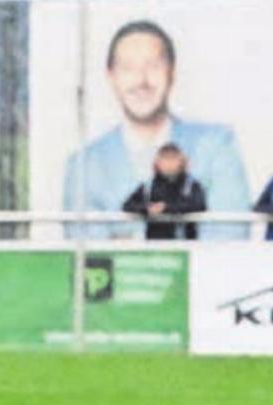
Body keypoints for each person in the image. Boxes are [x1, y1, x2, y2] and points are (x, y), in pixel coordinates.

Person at [62, 19, 248, 240]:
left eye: (153, 66)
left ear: (171, 72)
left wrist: (125, 237)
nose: (141, 80)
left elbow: (229, 236)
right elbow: (90, 252)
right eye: (128, 68)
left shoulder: (217, 145)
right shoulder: (84, 164)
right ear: (111, 76)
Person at [121, 142, 205, 240]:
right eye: (165, 158)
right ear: (157, 162)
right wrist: (147, 209)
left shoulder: (191, 186)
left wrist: (166, 208)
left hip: (184, 247)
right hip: (156, 247)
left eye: (173, 158)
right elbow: (127, 206)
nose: (169, 163)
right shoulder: (148, 187)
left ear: (182, 161)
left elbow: (199, 205)